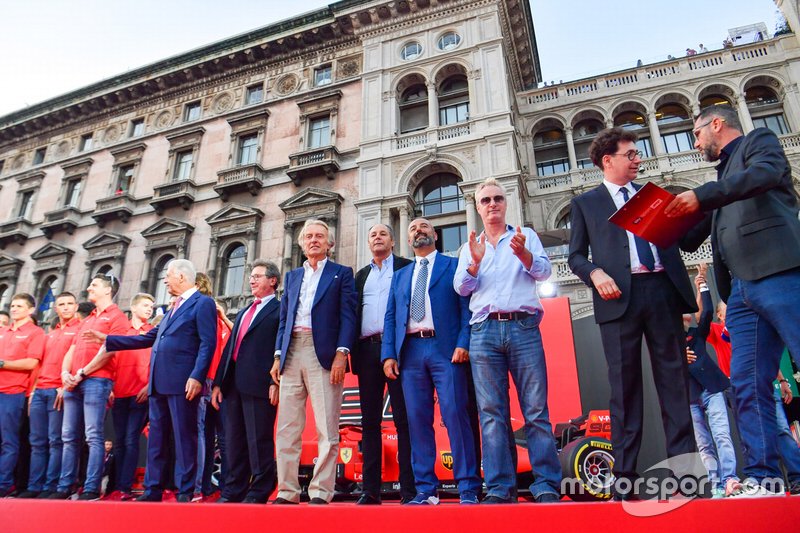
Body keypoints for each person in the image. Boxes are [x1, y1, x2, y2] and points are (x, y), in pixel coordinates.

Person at [667, 104, 800, 493]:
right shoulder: (723, 179)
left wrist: (703, 195)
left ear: (717, 125)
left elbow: (765, 175)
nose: (695, 143)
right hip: (740, 291)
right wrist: (658, 226)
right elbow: (691, 237)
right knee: (746, 383)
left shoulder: (759, 144)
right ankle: (763, 477)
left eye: (696, 133)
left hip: (778, 271)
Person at [568, 127, 697, 500]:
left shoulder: (655, 196)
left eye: (638, 154)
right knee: (624, 392)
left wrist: (704, 205)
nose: (638, 159)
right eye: (631, 154)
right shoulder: (586, 204)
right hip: (617, 298)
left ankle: (685, 480)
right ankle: (625, 481)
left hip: (662, 292)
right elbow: (575, 255)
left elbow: (685, 239)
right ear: (608, 161)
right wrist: (594, 273)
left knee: (675, 387)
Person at [454, 178, 562, 504]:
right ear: (477, 206)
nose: (492, 204)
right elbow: (461, 287)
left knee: (536, 411)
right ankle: (500, 488)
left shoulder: (525, 235)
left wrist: (525, 254)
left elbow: (544, 272)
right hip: (484, 333)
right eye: (485, 199)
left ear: (506, 202)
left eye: (497, 198)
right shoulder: (469, 246)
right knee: (491, 413)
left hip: (523, 327)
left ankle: (545, 486)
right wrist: (474, 262)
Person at [93, 259, 217, 502]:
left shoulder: (203, 303)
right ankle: (153, 490)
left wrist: (197, 376)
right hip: (159, 384)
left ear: (182, 277)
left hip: (184, 384)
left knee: (184, 438)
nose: (165, 280)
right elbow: (147, 338)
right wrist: (108, 339)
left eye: (168, 275)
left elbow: (208, 343)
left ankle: (185, 490)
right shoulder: (173, 309)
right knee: (157, 440)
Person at [382, 217, 481, 505]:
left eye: (424, 227)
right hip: (410, 351)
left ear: (435, 235)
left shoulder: (452, 266)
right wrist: (388, 353)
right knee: (416, 420)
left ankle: (468, 487)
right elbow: (391, 316)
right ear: (408, 239)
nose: (418, 231)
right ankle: (425, 489)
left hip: (445, 348)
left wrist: (464, 342)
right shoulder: (401, 275)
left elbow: (467, 308)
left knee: (455, 415)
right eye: (413, 228)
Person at [270, 219, 357, 505]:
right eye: (308, 236)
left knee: (327, 428)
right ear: (302, 243)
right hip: (291, 351)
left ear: (329, 243)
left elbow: (348, 316)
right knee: (287, 428)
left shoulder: (341, 273)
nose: (313, 240)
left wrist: (341, 353)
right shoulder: (292, 276)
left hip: (324, 352)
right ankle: (287, 491)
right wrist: (278, 356)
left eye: (319, 236)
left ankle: (321, 490)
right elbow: (284, 318)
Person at [51, 275, 129, 501]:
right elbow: (72, 349)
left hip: (97, 380)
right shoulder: (87, 318)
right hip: (73, 382)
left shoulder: (118, 317)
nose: (88, 288)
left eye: (94, 285)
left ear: (108, 290)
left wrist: (83, 372)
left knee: (92, 435)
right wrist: (65, 374)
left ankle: (91, 487)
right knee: (68, 436)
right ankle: (66, 486)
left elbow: (111, 349)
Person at [352, 223, 415, 505]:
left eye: (383, 234)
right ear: (368, 243)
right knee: (370, 422)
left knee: (404, 420)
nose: (377, 238)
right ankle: (371, 490)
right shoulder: (361, 275)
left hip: (399, 350)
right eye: (373, 235)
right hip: (366, 351)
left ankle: (410, 489)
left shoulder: (406, 267)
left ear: (392, 240)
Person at [212, 260, 281, 504]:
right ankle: (233, 490)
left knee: (258, 440)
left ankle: (259, 490)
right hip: (233, 386)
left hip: (260, 384)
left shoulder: (279, 310)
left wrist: (276, 381)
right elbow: (231, 348)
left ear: (273, 280)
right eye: (251, 276)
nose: (252, 280)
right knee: (234, 442)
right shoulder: (243, 311)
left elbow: (280, 348)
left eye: (258, 276)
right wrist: (219, 383)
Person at [684, 267, 740, 497]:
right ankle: (715, 484)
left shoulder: (697, 334)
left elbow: (705, 312)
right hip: (689, 395)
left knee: (722, 434)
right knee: (704, 444)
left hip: (712, 388)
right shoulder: (666, 343)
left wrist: (702, 285)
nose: (688, 314)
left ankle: (730, 479)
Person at [18, 292, 80, 499]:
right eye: (61, 304)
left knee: (56, 440)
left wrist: (65, 386)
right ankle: (35, 485)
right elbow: (39, 365)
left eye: (70, 304)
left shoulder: (79, 330)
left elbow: (77, 361)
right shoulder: (50, 334)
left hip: (58, 390)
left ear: (76, 306)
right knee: (36, 441)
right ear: (56, 308)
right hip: (39, 391)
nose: (66, 307)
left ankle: (51, 485)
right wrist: (33, 390)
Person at [107, 293, 154, 501]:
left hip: (140, 394)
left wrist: (149, 385)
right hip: (119, 393)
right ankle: (115, 486)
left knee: (130, 438)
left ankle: (124, 487)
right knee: (119, 441)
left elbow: (157, 363)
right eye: (145, 305)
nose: (149, 309)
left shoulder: (152, 332)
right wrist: (109, 385)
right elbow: (109, 358)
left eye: (151, 306)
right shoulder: (121, 331)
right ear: (133, 308)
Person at [0, 293, 46, 498]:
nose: (14, 308)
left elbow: (31, 363)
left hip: (14, 392)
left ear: (30, 310)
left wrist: (2, 364)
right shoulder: (4, 332)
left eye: (19, 306)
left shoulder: (35, 333)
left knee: (9, 441)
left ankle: (4, 483)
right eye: (13, 305)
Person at [193, 272, 231, 501]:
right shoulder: (199, 320)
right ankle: (204, 485)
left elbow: (239, 338)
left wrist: (223, 316)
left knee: (224, 438)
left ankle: (226, 486)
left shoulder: (223, 325)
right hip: (204, 383)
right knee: (204, 436)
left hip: (222, 386)